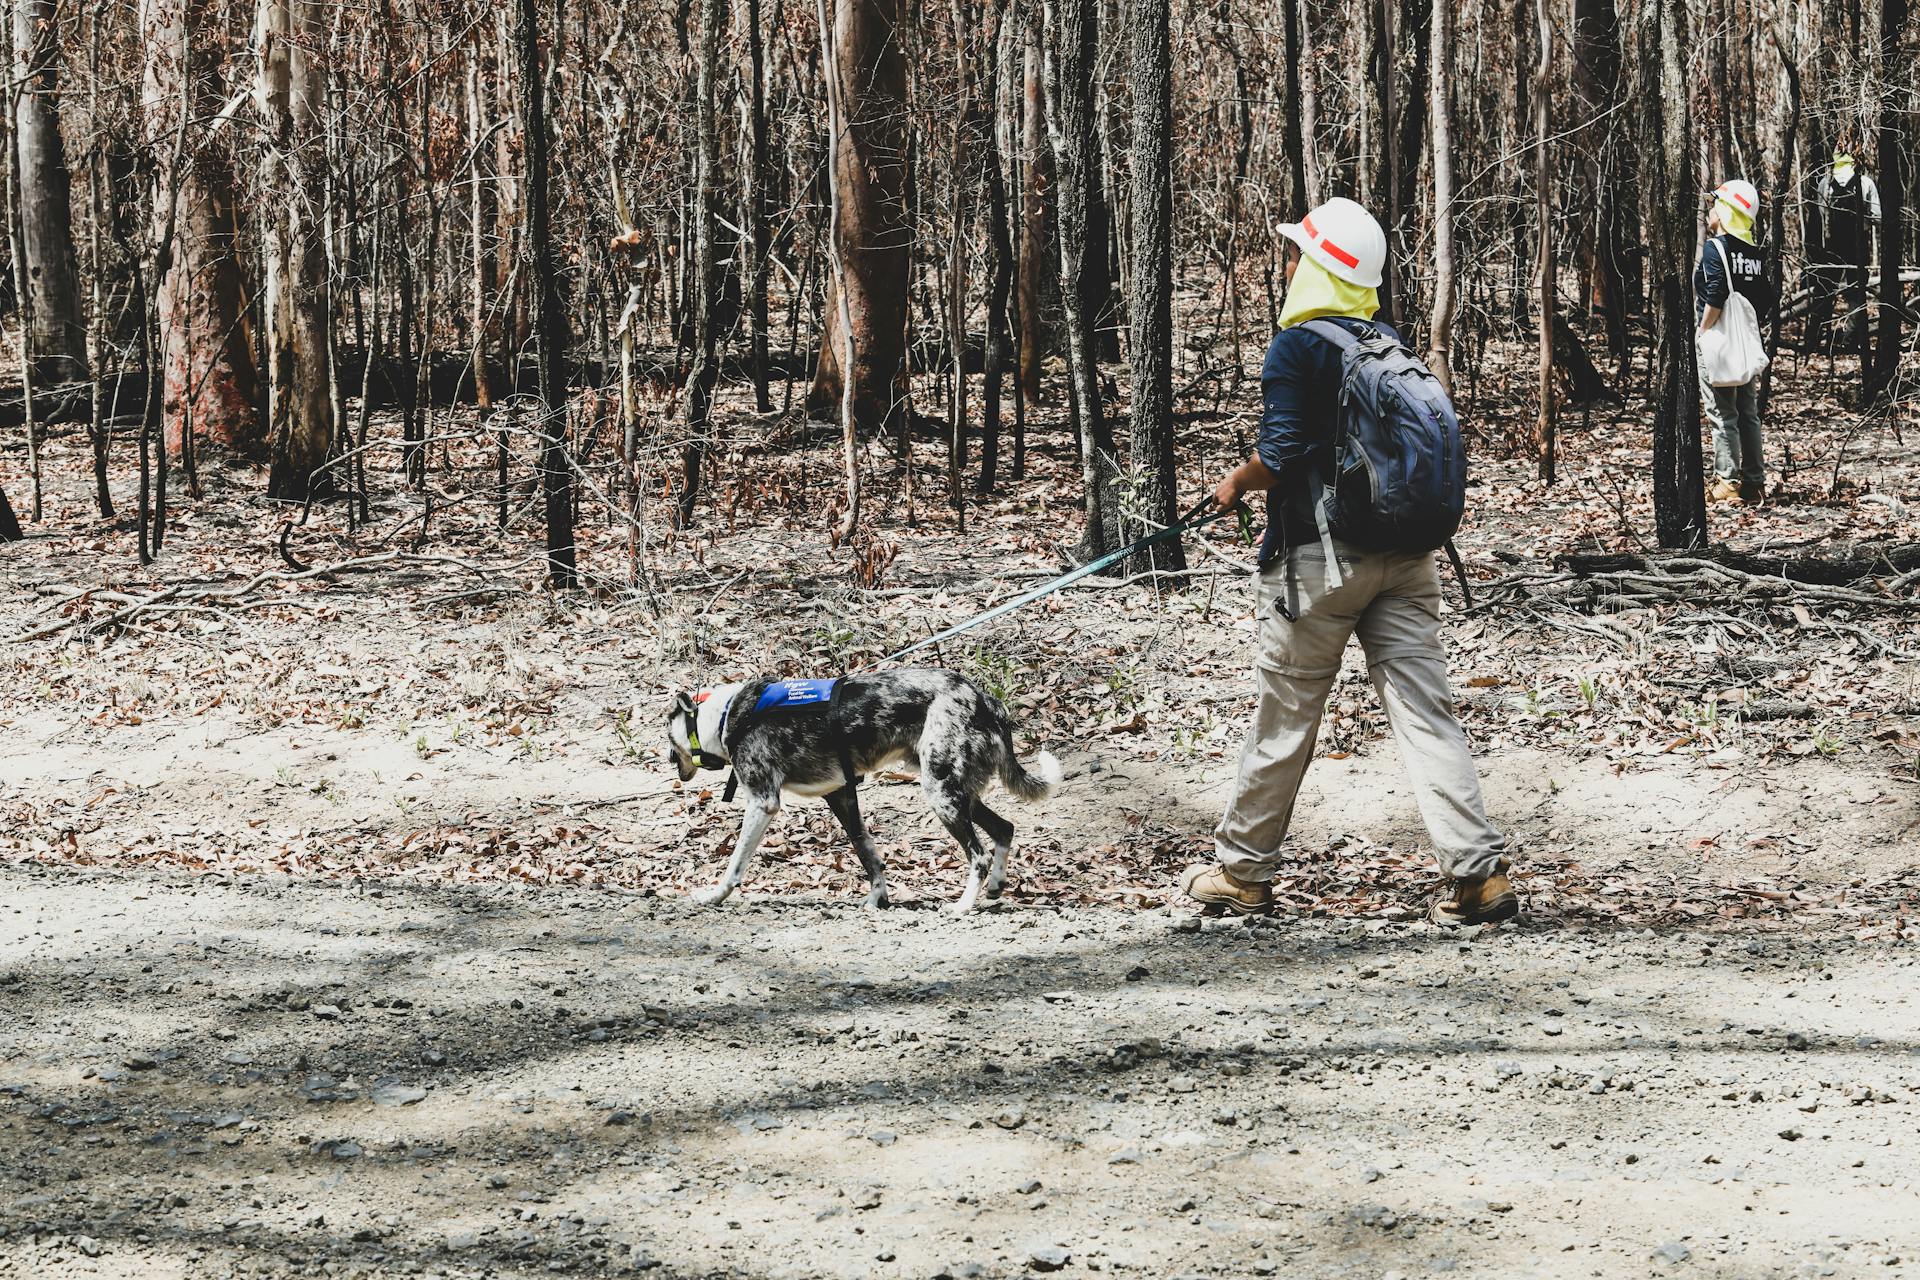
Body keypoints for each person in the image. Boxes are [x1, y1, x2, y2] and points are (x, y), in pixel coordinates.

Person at [1180, 197, 1514, 928]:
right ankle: (1477, 877)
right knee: (1428, 716)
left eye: (1298, 253)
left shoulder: (1298, 345)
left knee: (1286, 714)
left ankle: (1242, 872)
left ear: (1321, 267)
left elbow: (1282, 452)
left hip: (1321, 566)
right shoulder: (1388, 342)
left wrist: (1236, 482)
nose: (1289, 263)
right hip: (1411, 559)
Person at [1695, 178, 1777, 505]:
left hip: (1718, 341)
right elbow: (1766, 297)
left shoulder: (1716, 249)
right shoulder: (1754, 253)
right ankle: (1755, 483)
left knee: (1722, 412)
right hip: (1745, 343)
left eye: (1716, 204)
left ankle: (1727, 482)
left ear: (1727, 212)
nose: (1709, 210)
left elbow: (1714, 295)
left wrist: (1703, 330)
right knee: (1748, 411)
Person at [1804, 147, 1881, 353]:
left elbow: (1822, 212)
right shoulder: (1865, 183)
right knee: (1856, 294)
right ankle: (1850, 339)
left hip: (1831, 244)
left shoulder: (1825, 183)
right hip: (1858, 245)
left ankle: (1814, 338)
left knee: (1824, 290)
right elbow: (1877, 216)